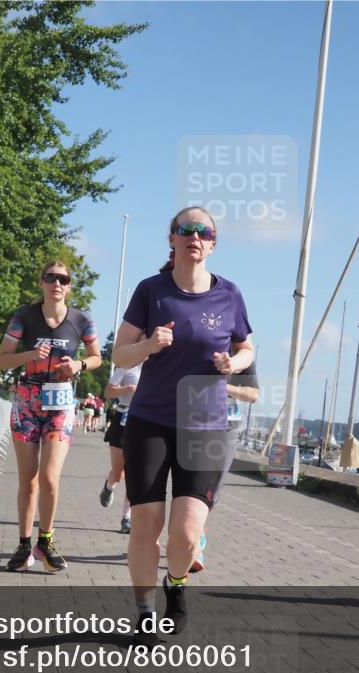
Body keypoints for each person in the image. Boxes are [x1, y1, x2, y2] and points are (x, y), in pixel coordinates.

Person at [113, 206, 253, 644]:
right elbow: (119, 356)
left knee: (187, 533)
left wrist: (234, 363)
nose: (194, 236)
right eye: (185, 229)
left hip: (204, 424)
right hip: (150, 420)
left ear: (212, 243)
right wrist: (150, 344)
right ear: (171, 240)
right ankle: (143, 611)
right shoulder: (150, 291)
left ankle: (175, 585)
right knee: (146, 525)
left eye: (203, 231)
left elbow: (248, 349)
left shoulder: (229, 295)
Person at [0, 261, 101, 572]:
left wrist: (79, 365)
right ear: (41, 282)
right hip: (27, 401)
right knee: (28, 481)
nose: (57, 283)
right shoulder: (24, 316)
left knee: (50, 479)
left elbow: (97, 357)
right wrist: (30, 355)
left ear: (70, 286)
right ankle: (23, 545)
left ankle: (46, 541)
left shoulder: (82, 320)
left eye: (63, 279)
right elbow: (2, 360)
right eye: (51, 278)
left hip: (61, 402)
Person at [190, 354, 260, 573]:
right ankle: (192, 539)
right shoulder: (199, 343)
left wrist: (228, 389)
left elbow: (253, 395)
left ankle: (196, 534)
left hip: (227, 426)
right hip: (193, 422)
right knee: (190, 483)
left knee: (213, 486)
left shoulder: (242, 354)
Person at [101, 362, 142, 533]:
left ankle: (127, 518)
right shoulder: (128, 365)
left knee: (134, 473)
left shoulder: (157, 365)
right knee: (119, 474)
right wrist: (127, 389)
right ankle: (109, 486)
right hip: (122, 418)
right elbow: (108, 392)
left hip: (144, 420)